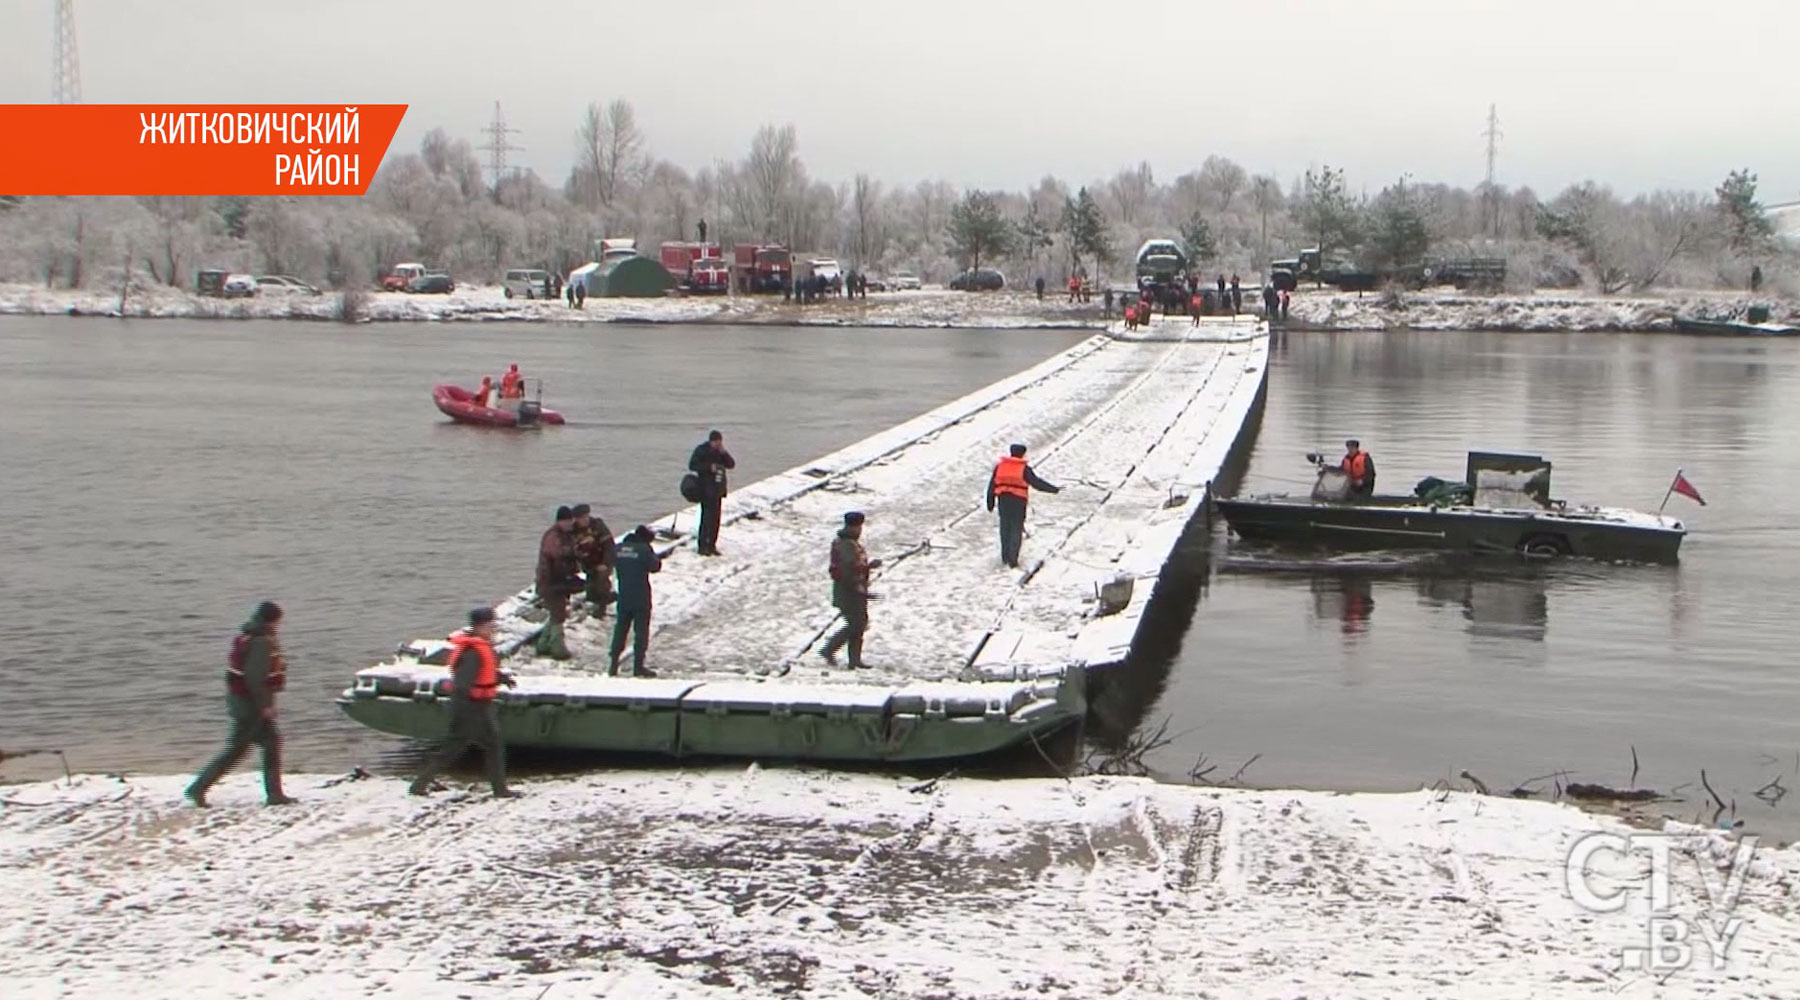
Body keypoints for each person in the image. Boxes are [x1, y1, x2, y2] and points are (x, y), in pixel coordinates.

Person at [186, 601, 294, 807]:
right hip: (250, 707)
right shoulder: (262, 642)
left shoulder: (249, 637)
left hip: (244, 703)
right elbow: (255, 678)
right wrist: (265, 706)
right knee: (236, 750)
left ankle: (275, 795)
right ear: (273, 620)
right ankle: (197, 788)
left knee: (272, 743)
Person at [408, 606, 519, 798]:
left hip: (481, 704)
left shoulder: (481, 647)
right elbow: (462, 684)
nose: (493, 628)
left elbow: (485, 673)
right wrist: (470, 704)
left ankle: (500, 789)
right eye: (489, 625)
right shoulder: (472, 652)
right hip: (469, 707)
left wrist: (501, 678)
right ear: (479, 626)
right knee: (455, 747)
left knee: (493, 745)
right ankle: (420, 784)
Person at [821, 511, 881, 668]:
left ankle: (855, 660)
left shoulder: (846, 542)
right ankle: (829, 649)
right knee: (856, 624)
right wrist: (868, 567)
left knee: (859, 624)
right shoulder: (847, 544)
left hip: (853, 589)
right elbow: (849, 568)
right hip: (849, 590)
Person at [986, 443, 1062, 568]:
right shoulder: (1024, 469)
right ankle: (1013, 559)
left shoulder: (1000, 466)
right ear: (1022, 454)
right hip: (1018, 501)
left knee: (1005, 527)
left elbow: (992, 485)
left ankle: (1005, 556)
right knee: (1016, 528)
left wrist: (990, 501)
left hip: (1003, 501)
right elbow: (1037, 483)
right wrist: (1054, 489)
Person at [609, 525, 663, 677]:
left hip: (624, 595)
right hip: (641, 596)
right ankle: (638, 667)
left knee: (621, 629)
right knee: (641, 632)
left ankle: (613, 664)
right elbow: (655, 566)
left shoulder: (618, 549)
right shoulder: (644, 550)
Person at [534, 506, 579, 659]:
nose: (569, 523)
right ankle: (557, 648)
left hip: (558, 581)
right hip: (551, 582)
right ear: (560, 521)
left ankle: (543, 644)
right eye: (566, 521)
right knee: (558, 613)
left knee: (556, 612)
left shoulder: (565, 535)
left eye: (570, 520)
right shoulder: (553, 537)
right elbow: (556, 558)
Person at [688, 429, 736, 556]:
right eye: (716, 442)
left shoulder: (721, 453)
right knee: (706, 519)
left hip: (718, 490)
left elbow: (731, 464)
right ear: (711, 441)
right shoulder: (701, 450)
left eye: (720, 442)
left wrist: (724, 453)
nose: (718, 445)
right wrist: (709, 467)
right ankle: (702, 546)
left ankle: (712, 545)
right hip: (705, 489)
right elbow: (692, 465)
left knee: (716, 520)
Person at [572, 503, 617, 617]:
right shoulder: (573, 530)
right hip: (588, 562)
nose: (585, 520)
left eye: (586, 517)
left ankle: (601, 609)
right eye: (581, 518)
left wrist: (605, 563)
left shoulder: (597, 525)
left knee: (601, 582)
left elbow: (609, 546)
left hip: (603, 559)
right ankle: (604, 597)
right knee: (591, 590)